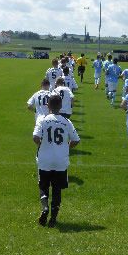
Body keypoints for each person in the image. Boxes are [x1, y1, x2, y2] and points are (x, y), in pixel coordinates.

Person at [33, 94, 80, 227]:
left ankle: (45, 207)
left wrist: (43, 145)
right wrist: (67, 148)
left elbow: (35, 137)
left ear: (48, 105)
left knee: (43, 186)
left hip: (45, 159)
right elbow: (76, 140)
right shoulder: (67, 121)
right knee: (57, 189)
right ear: (60, 106)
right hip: (60, 160)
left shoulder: (43, 120)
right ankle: (53, 218)